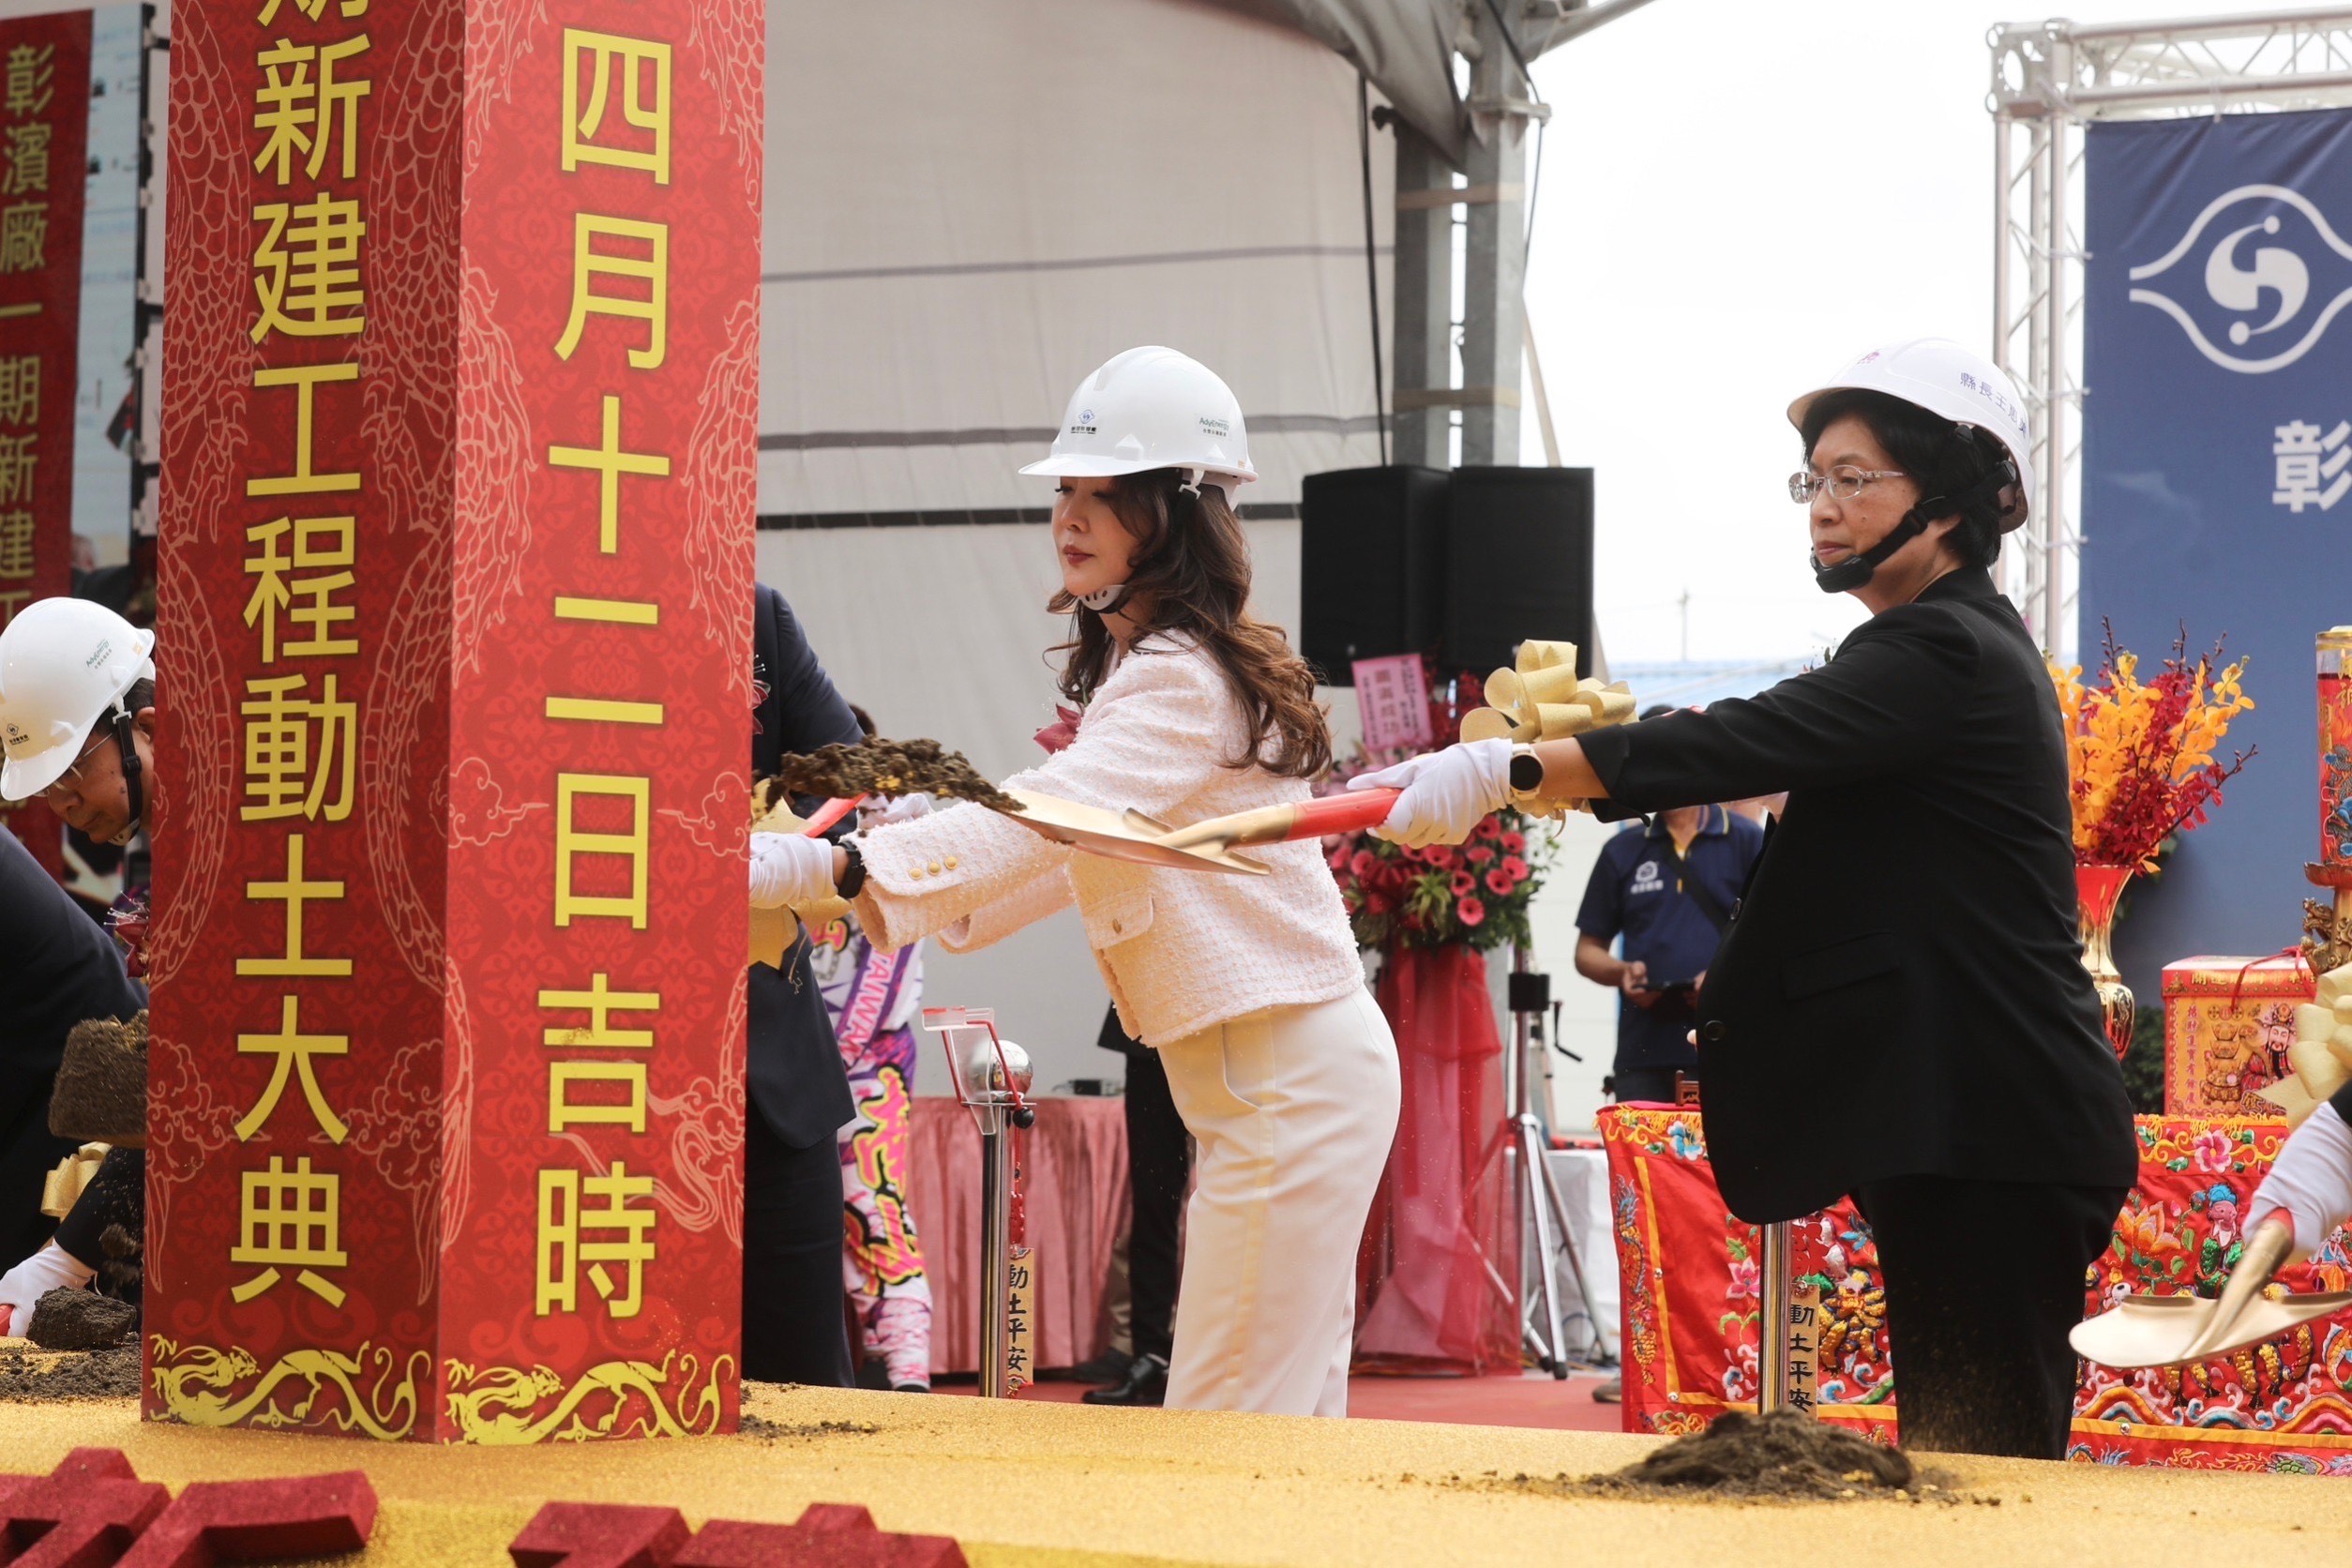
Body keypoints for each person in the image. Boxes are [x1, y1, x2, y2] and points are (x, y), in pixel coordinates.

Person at [1352, 339, 2137, 1458]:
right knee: (1963, 1465)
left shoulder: (1945, 648)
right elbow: (1755, 750)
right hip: (1973, 1125)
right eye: (1813, 480)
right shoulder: (1937, 647)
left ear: (1957, 496)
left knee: (1984, 1472)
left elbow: (1743, 738)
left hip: (1993, 1129)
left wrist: (1505, 773)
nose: (1823, 507)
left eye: (1855, 478)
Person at [750, 346, 1400, 1418]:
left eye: (1107, 493)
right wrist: (894, 863)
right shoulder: (1164, 670)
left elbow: (1053, 815)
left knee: (1232, 1427)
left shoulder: (1178, 680)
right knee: (1278, 1421)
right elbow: (1070, 847)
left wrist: (839, 866)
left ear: (1176, 514)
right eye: (1066, 490)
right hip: (1282, 1082)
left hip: (1285, 1083)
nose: (1071, 515)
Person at [0, 598, 155, 1327]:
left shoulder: (245, 836)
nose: (62, 805)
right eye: (46, 789)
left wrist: (65, 1258)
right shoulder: (186, 834)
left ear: (145, 728)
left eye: (71, 774)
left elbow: (201, 1076)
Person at [743, 582, 867, 1388]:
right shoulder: (524, 606)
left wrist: (761, 849)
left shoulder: (753, 614)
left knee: (805, 1388)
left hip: (772, 1074)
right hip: (584, 1067)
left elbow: (847, 782)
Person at [808, 706, 935, 1394]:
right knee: (806, 1215)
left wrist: (840, 1055)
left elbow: (887, 958)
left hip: (869, 1061)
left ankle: (907, 1371)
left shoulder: (896, 821)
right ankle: (867, 1359)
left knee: (873, 1204)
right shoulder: (788, 814)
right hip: (800, 1057)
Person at [1574, 708, 1765, 1107]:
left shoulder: (1747, 840)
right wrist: (1622, 972)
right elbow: (1587, 951)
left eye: (1669, 758)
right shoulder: (1621, 849)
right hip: (1643, 1054)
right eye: (1647, 764)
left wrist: (1722, 979)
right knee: (1641, 1149)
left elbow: (1775, 936)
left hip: (1729, 1044)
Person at [1084, 1007, 1189, 1407]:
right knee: (1154, 1203)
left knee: (1238, 1202)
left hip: (1238, 1029)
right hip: (1152, 1028)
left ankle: (1234, 1356)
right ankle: (1152, 1354)